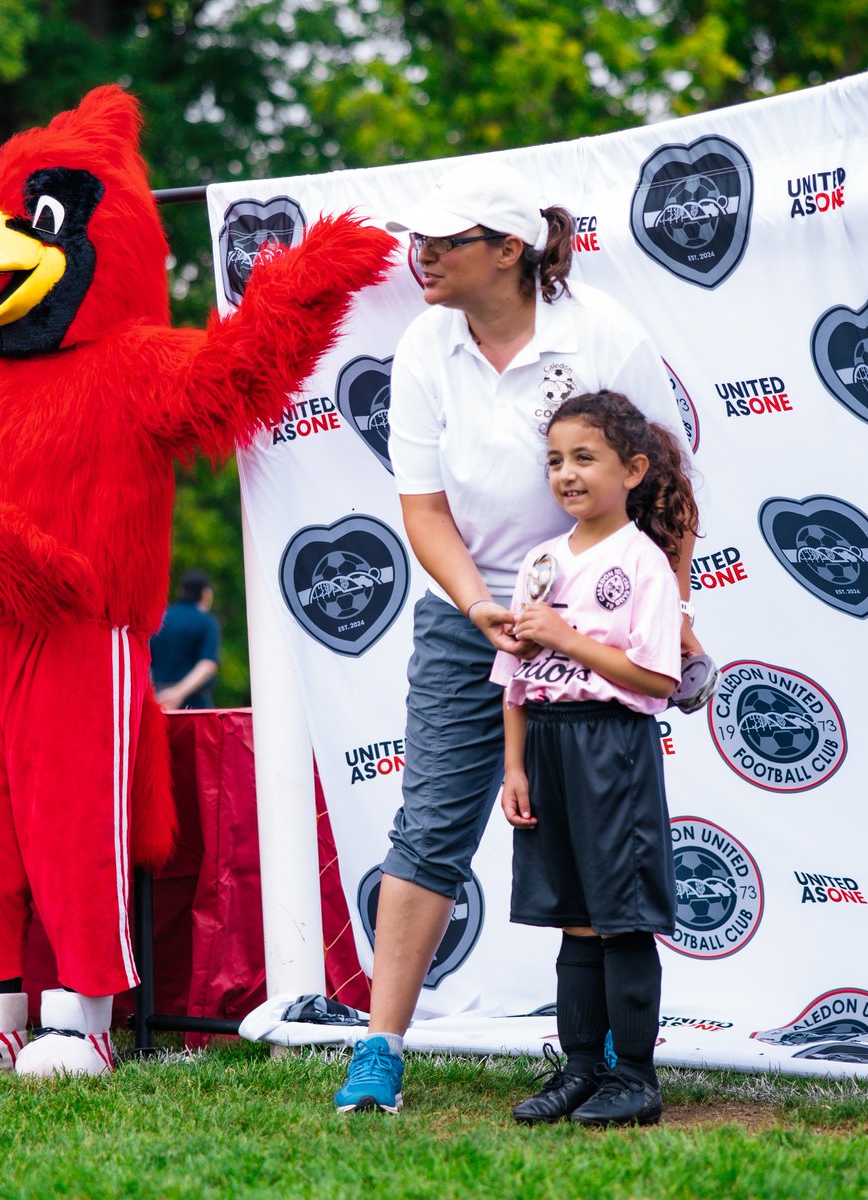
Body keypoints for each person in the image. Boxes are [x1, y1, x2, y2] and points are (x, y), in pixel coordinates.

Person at [334, 158, 701, 1114]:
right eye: (419, 243)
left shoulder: (602, 331)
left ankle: (619, 1071)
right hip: (474, 618)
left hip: (602, 617)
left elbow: (665, 482)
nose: (421, 258)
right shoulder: (423, 346)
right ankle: (380, 1048)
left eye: (444, 244)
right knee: (430, 826)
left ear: (508, 252)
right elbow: (422, 509)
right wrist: (476, 608)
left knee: (605, 848)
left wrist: (674, 610)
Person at [493, 390, 697, 1127]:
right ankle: (581, 1069)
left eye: (585, 458)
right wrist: (515, 768)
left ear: (632, 469)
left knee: (620, 916)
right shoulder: (540, 560)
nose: (567, 474)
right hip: (546, 746)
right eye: (554, 460)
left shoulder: (643, 563)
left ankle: (635, 1076)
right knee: (573, 916)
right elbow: (514, 678)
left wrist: (571, 638)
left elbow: (658, 678)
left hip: (613, 746)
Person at [150, 569, 221, 710]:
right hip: (194, 703)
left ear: (181, 591)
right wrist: (178, 693)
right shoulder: (207, 622)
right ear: (206, 593)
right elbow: (207, 664)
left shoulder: (159, 618)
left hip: (158, 700)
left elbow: (145, 660)